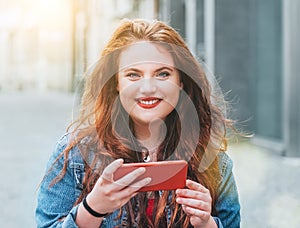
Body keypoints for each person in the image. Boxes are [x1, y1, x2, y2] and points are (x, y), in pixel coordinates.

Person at [35, 18, 240, 228]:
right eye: (133, 75)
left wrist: (206, 224)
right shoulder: (76, 155)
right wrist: (92, 208)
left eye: (162, 74)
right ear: (116, 83)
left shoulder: (214, 161)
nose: (148, 87)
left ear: (181, 82)